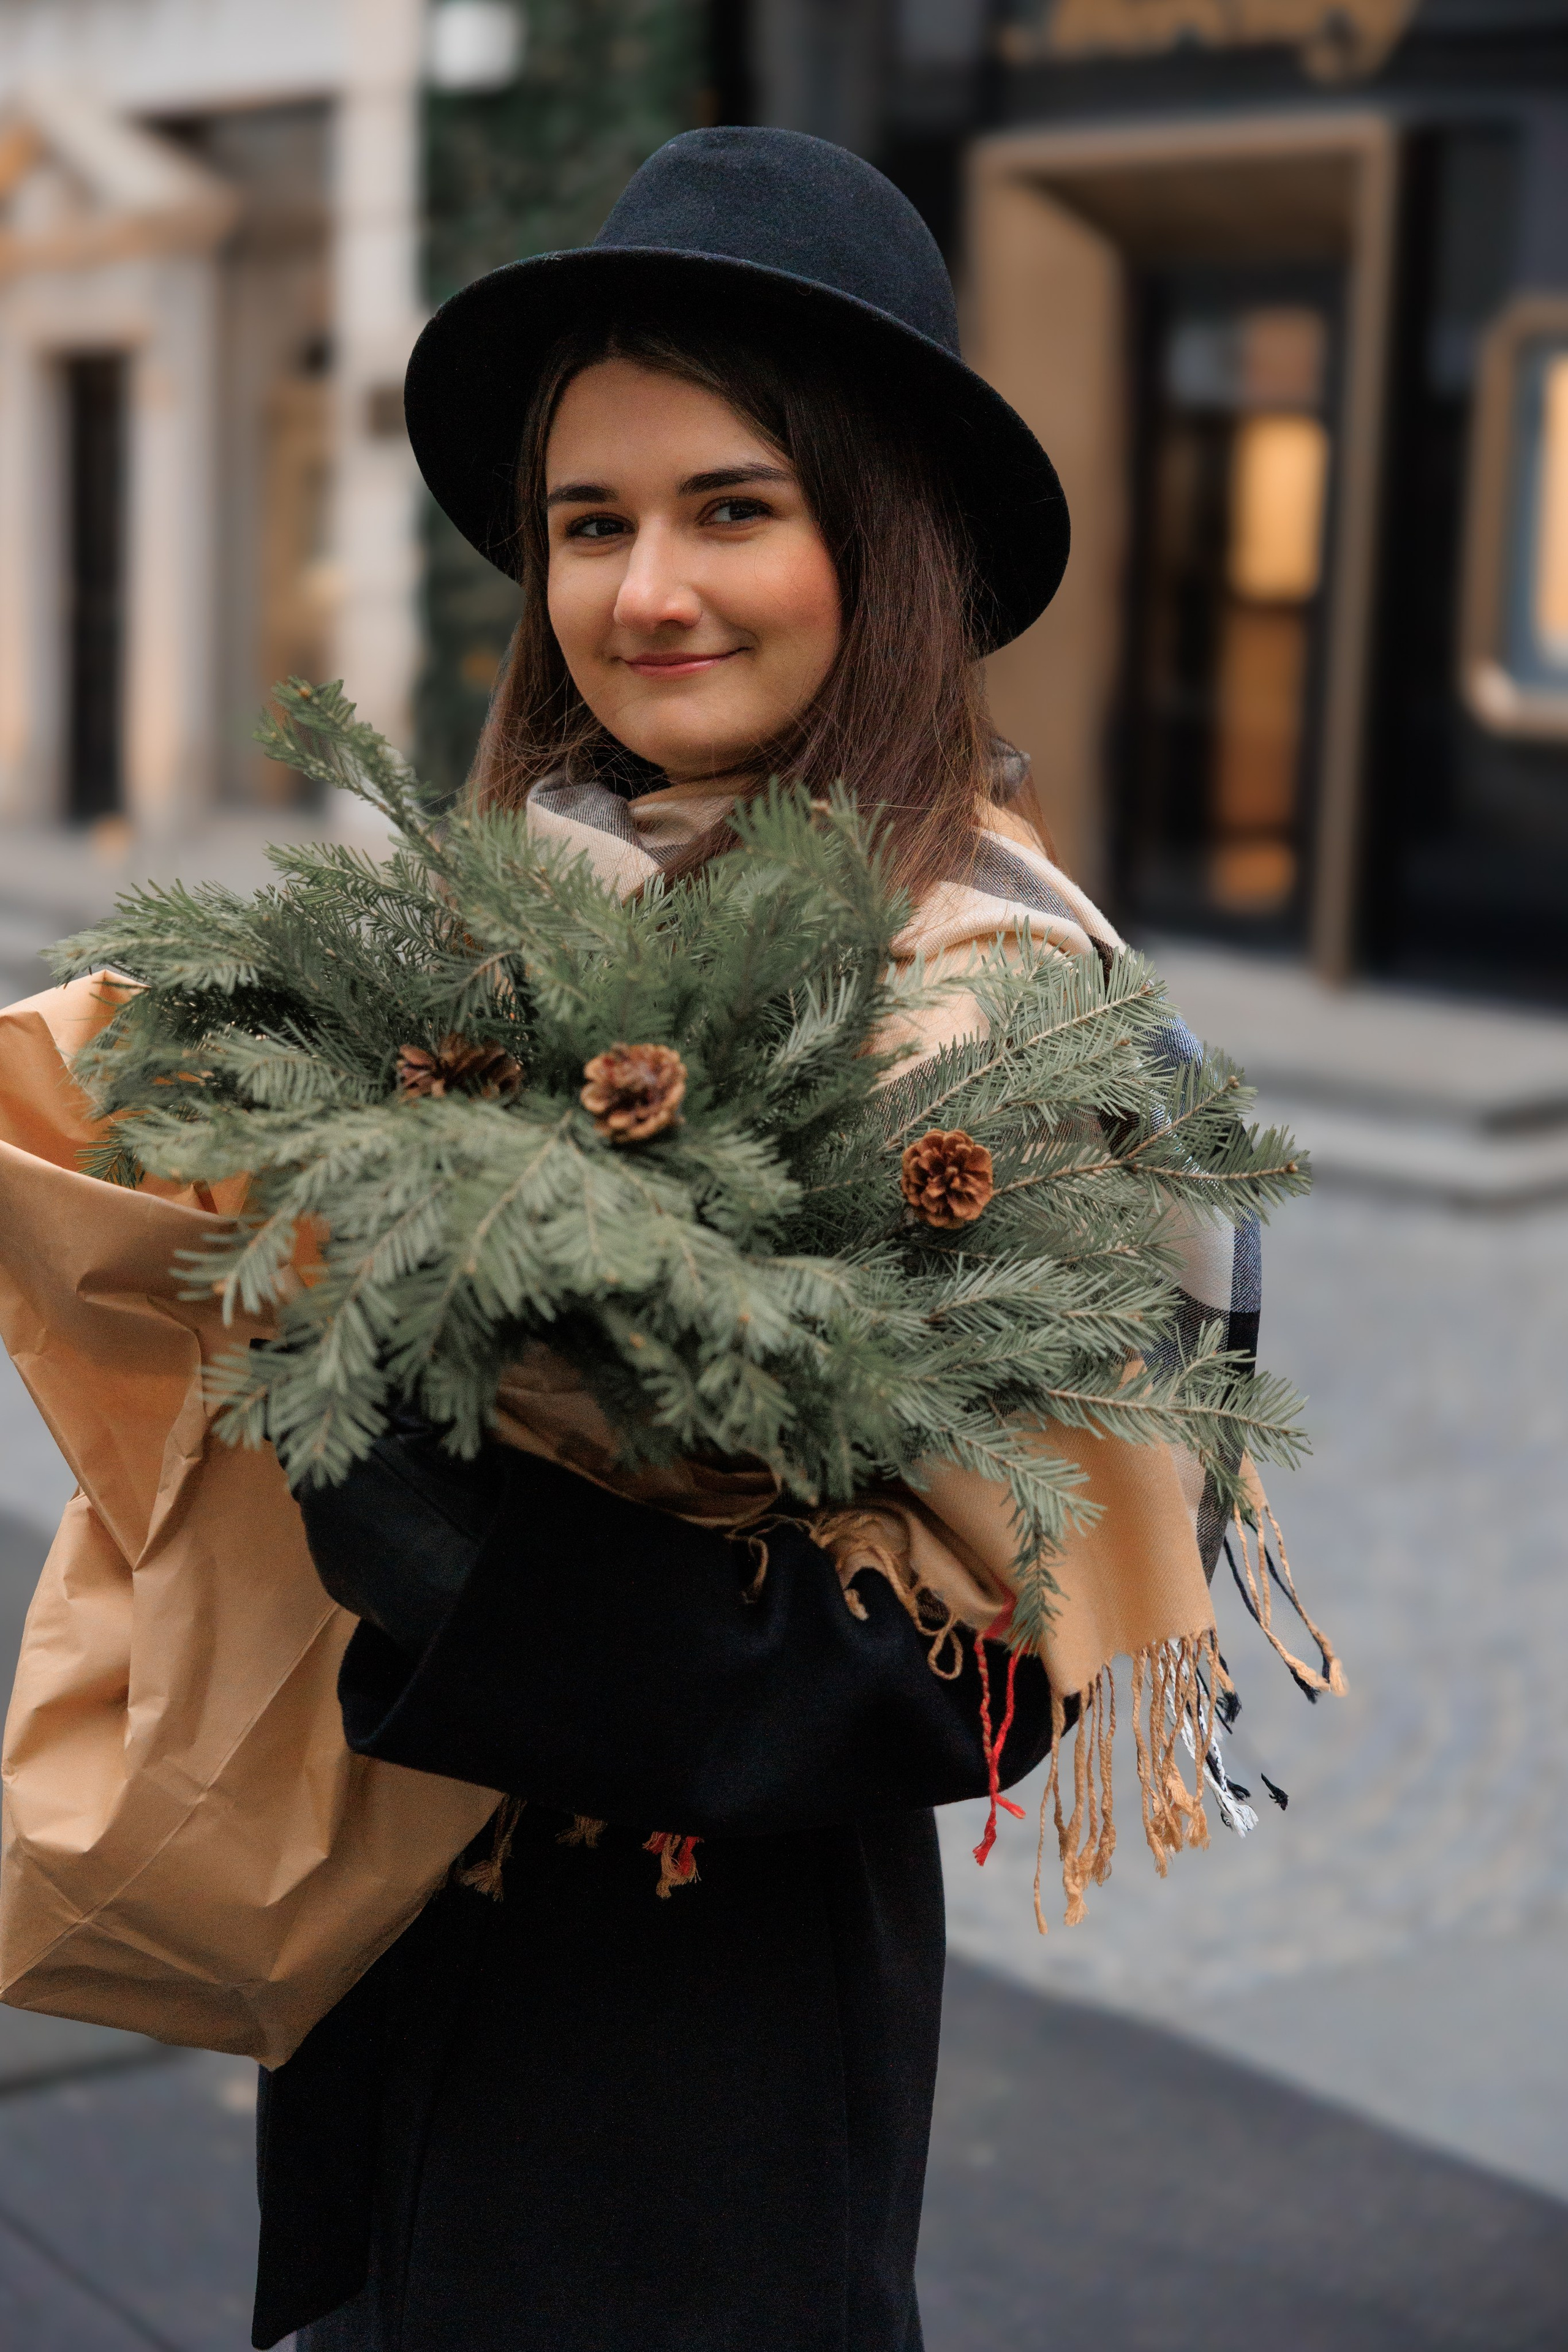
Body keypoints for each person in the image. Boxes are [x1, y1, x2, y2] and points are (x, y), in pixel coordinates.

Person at [258, 127, 1218, 2352]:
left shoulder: (997, 1003)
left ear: (881, 546)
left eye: (732, 509)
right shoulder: (493, 912)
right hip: (388, 1960)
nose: (645, 590)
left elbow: (990, 1669)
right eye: (592, 524)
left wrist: (460, 1557)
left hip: (709, 2068)